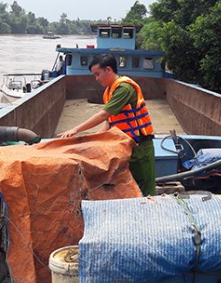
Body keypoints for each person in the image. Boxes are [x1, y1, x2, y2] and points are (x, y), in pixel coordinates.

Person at [58, 54, 155, 196]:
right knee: (129, 189)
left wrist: (76, 129)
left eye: (98, 74)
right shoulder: (109, 92)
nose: (96, 79)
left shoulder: (124, 88)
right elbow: (109, 122)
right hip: (126, 146)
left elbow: (103, 114)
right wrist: (93, 139)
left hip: (140, 148)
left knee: (145, 191)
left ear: (108, 70)